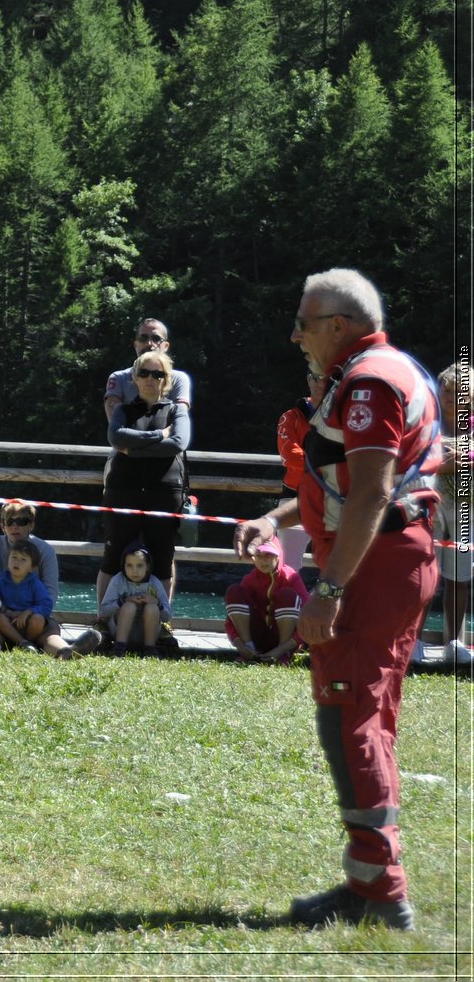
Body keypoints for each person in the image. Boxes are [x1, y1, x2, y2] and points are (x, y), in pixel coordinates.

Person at [234, 268, 442, 931]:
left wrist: (328, 587)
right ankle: (366, 881)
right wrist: (279, 518)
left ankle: (383, 893)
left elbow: (374, 494)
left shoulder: (369, 382)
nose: (295, 336)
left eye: (303, 322)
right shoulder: (383, 370)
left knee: (356, 721)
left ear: (337, 325)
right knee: (355, 717)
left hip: (372, 567)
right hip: (378, 561)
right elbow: (345, 481)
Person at [96, 350, 191, 608]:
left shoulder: (176, 412)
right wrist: (160, 435)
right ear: (135, 378)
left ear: (167, 379)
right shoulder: (123, 410)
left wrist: (133, 448)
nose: (151, 379)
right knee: (113, 553)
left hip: (165, 493)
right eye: (144, 373)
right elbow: (116, 437)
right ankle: (103, 619)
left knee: (162, 554)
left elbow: (179, 442)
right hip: (122, 490)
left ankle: (161, 622)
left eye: (158, 374)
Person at [415, 361, 472, 666]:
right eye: (446, 390)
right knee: (427, 575)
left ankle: (455, 641)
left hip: (466, 508)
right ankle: (416, 640)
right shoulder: (429, 421)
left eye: (459, 392)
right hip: (431, 505)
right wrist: (453, 460)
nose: (451, 397)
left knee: (460, 578)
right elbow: (420, 459)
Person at [0, 539, 74, 657]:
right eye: (13, 557)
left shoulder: (35, 584)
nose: (17, 562)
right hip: (9, 623)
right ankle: (22, 643)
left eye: (23, 559)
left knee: (39, 619)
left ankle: (32, 643)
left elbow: (46, 605)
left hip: (28, 623)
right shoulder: (0, 582)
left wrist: (27, 612)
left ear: (32, 568)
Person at [274, 370, 328, 572]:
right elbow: (289, 454)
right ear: (308, 379)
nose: (320, 383)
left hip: (336, 499)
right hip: (295, 498)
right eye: (316, 377)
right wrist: (331, 465)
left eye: (326, 378)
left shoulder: (345, 416)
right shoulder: (290, 417)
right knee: (287, 567)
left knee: (338, 569)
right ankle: (287, 603)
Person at [224, 534, 306, 664]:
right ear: (253, 558)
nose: (263, 561)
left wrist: (282, 648)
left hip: (284, 641)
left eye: (268, 555)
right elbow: (230, 621)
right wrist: (241, 646)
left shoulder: (292, 578)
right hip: (258, 636)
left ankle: (284, 654)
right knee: (234, 592)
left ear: (278, 556)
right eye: (259, 556)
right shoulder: (249, 580)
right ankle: (249, 650)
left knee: (287, 595)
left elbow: (307, 618)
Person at [102, 317, 194, 422]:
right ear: (135, 344)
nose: (149, 344)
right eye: (143, 338)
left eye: (156, 338)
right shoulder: (118, 378)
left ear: (166, 346)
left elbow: (179, 421)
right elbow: (115, 424)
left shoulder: (178, 379)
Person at [99, 544, 172, 657]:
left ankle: (150, 649)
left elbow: (167, 617)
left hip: (147, 633)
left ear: (147, 566)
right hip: (119, 630)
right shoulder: (118, 580)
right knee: (129, 606)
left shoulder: (155, 582)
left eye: (139, 565)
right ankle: (119, 648)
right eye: (129, 565)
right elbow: (103, 611)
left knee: (152, 607)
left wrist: (157, 603)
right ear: (123, 566)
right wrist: (122, 601)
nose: (134, 571)